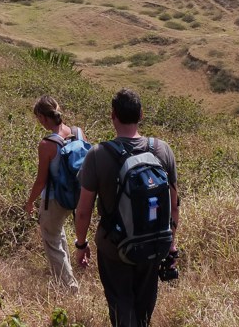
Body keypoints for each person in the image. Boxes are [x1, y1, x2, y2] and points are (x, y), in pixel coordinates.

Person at [74, 88, 180, 327]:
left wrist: (81, 244)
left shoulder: (97, 154)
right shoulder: (162, 149)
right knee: (144, 304)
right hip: (154, 243)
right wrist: (170, 242)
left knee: (120, 303)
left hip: (114, 246)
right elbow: (174, 204)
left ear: (113, 115)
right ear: (141, 114)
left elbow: (83, 211)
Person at [23, 95, 83, 293]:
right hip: (76, 197)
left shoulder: (47, 144)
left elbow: (41, 181)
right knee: (58, 234)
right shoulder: (78, 133)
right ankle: (68, 277)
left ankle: (69, 287)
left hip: (54, 200)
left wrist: (30, 202)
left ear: (42, 117)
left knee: (52, 240)